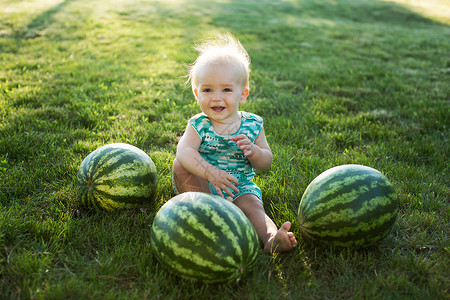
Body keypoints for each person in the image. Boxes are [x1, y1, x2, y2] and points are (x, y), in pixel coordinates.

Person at [172, 33, 297, 253]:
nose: (216, 97)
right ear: (196, 93)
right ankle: (204, 214)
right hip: (204, 186)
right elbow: (184, 151)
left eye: (226, 90)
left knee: (254, 208)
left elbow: (266, 162)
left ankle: (271, 238)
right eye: (207, 90)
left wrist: (255, 152)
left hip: (238, 187)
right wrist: (210, 173)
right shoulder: (198, 125)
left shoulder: (253, 125)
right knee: (180, 165)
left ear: (243, 94)